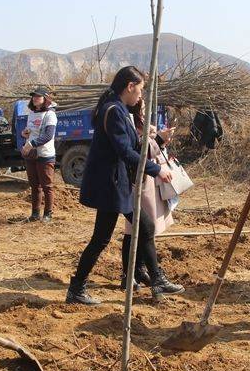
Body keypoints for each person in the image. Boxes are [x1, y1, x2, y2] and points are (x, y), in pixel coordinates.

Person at [66, 66, 184, 305]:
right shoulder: (114, 111)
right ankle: (154, 278)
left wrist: (157, 139)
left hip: (114, 182)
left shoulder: (117, 109)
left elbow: (131, 145)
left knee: (126, 232)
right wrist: (157, 169)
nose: (141, 96)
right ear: (129, 87)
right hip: (111, 184)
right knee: (119, 234)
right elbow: (126, 151)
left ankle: (79, 288)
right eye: (139, 90)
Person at [120, 101, 177, 291]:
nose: (143, 109)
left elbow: (147, 149)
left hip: (147, 178)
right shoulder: (128, 122)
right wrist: (157, 139)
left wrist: (159, 140)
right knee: (138, 228)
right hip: (138, 181)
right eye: (141, 107)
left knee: (142, 228)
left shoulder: (139, 122)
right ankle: (133, 275)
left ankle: (137, 271)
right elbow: (138, 151)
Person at [21, 86, 58, 223]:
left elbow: (48, 135)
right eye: (34, 96)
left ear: (45, 99)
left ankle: (48, 214)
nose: (35, 98)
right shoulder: (31, 113)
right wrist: (24, 133)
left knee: (47, 186)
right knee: (34, 185)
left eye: (38, 96)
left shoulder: (50, 115)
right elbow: (30, 131)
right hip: (31, 154)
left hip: (44, 154)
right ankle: (35, 214)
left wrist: (31, 144)